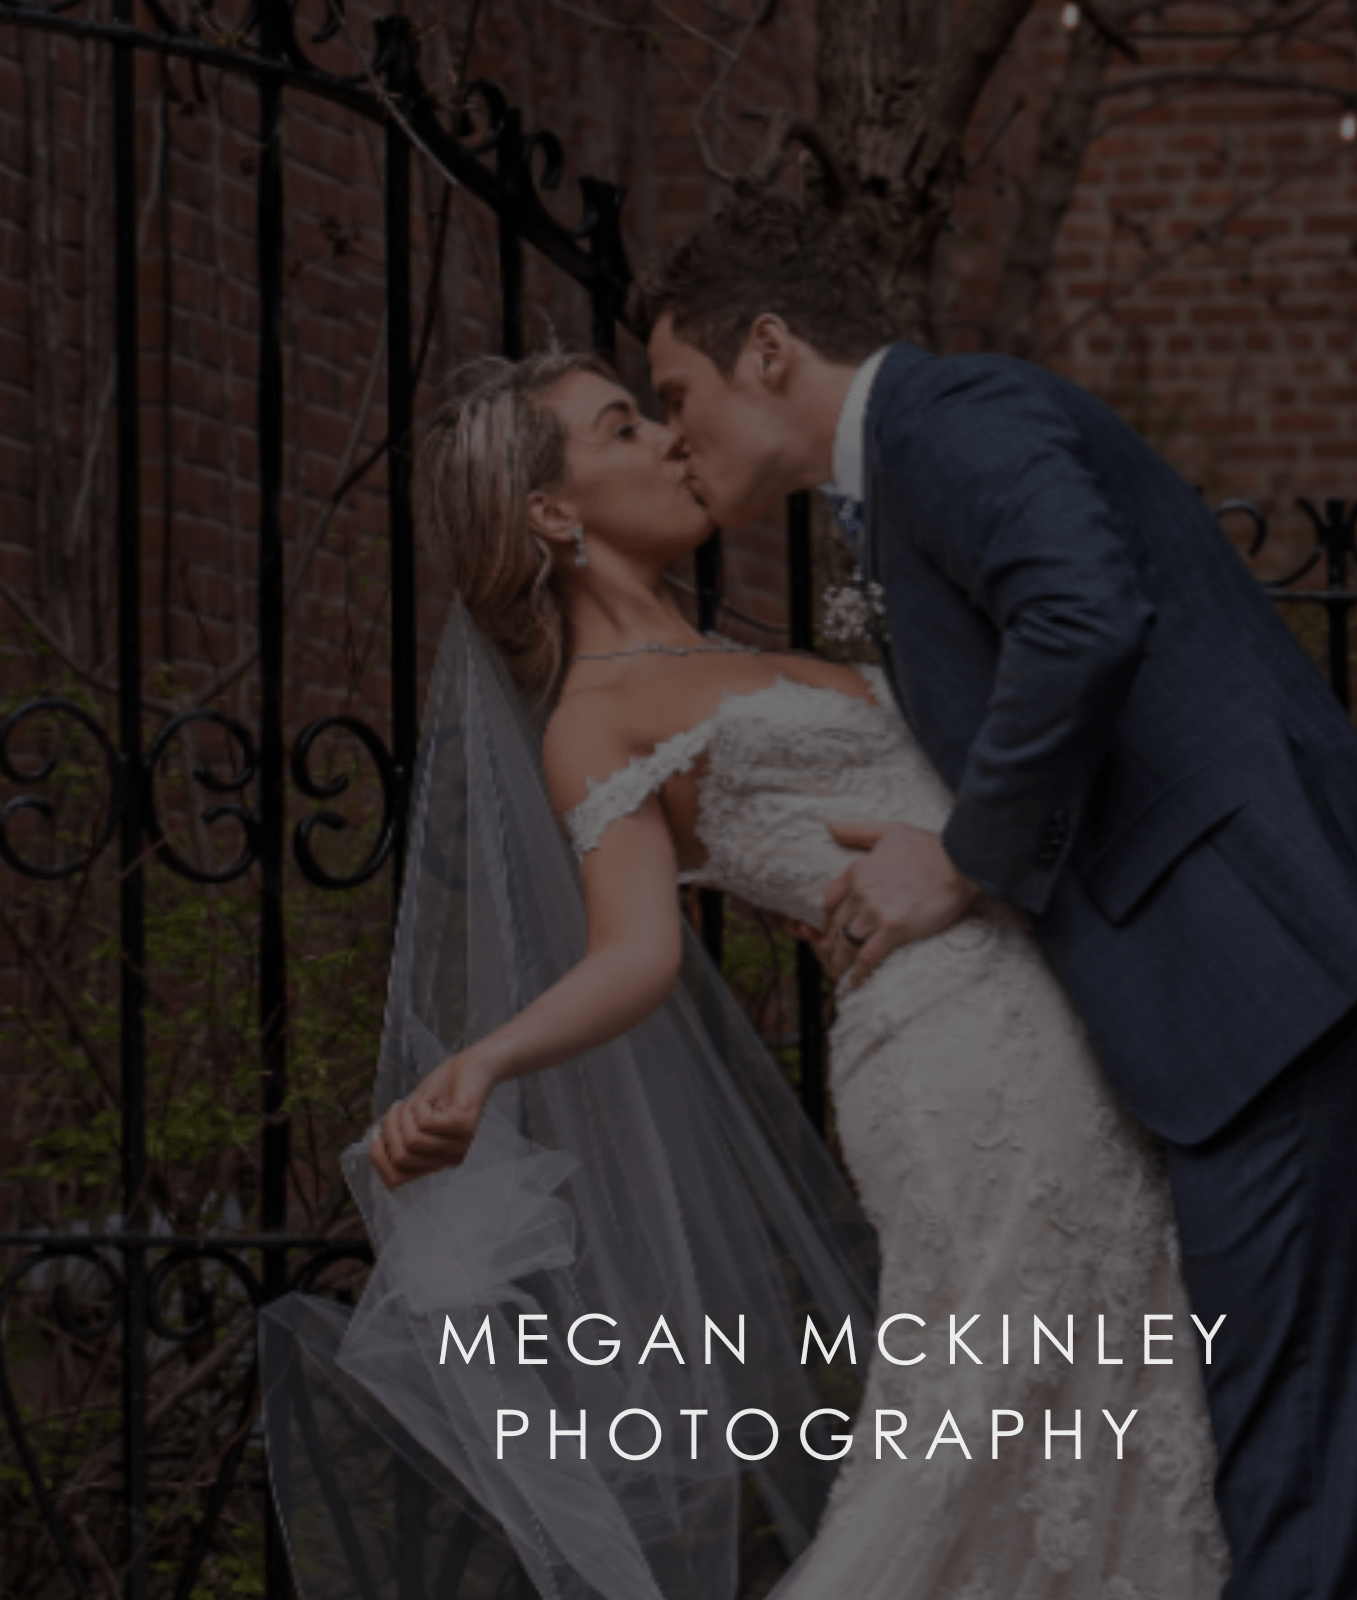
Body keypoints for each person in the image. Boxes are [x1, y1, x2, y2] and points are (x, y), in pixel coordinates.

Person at [637, 191, 1357, 1600]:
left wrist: (962, 856)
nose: (676, 434)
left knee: (1295, 1495)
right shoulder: (914, 462)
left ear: (773, 350)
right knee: (1296, 1487)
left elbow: (1084, 613)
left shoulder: (950, 422)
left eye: (679, 394)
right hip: (1257, 1005)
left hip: (1288, 985)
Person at [339, 347, 1229, 1599]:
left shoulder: (739, 646)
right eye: (621, 427)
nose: (665, 438)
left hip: (1057, 1025)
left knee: (1105, 1402)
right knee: (980, 1417)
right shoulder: (593, 716)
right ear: (551, 511)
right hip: (948, 1060)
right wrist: (483, 1060)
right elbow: (638, 949)